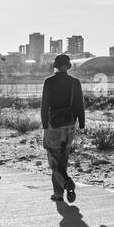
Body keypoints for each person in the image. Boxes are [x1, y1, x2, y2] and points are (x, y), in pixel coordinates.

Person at [41, 53, 85, 203]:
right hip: (70, 124)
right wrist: (82, 124)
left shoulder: (49, 82)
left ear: (55, 65)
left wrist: (45, 125)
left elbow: (44, 105)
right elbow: (80, 105)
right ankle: (58, 194)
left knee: (53, 159)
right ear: (69, 66)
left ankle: (66, 183)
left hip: (53, 125)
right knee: (62, 159)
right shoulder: (75, 82)